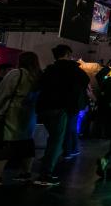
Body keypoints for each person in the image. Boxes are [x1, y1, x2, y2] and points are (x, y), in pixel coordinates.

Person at [0, 53, 42, 187]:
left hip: (12, 113)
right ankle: (26, 172)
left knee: (5, 144)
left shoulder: (16, 74)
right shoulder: (38, 76)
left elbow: (2, 94)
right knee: (26, 143)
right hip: (30, 115)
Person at [35, 45, 90, 186]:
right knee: (56, 141)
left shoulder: (49, 70)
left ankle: (45, 167)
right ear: (68, 54)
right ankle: (45, 174)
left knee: (53, 138)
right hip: (61, 109)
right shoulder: (73, 70)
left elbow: (39, 86)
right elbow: (85, 81)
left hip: (44, 108)